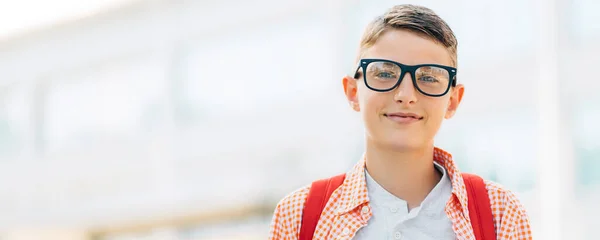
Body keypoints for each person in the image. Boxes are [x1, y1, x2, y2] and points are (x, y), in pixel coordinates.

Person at [268, 4, 532, 240]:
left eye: (429, 77)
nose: (406, 95)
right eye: (384, 73)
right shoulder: (300, 216)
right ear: (352, 92)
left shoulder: (499, 212)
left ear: (452, 100)